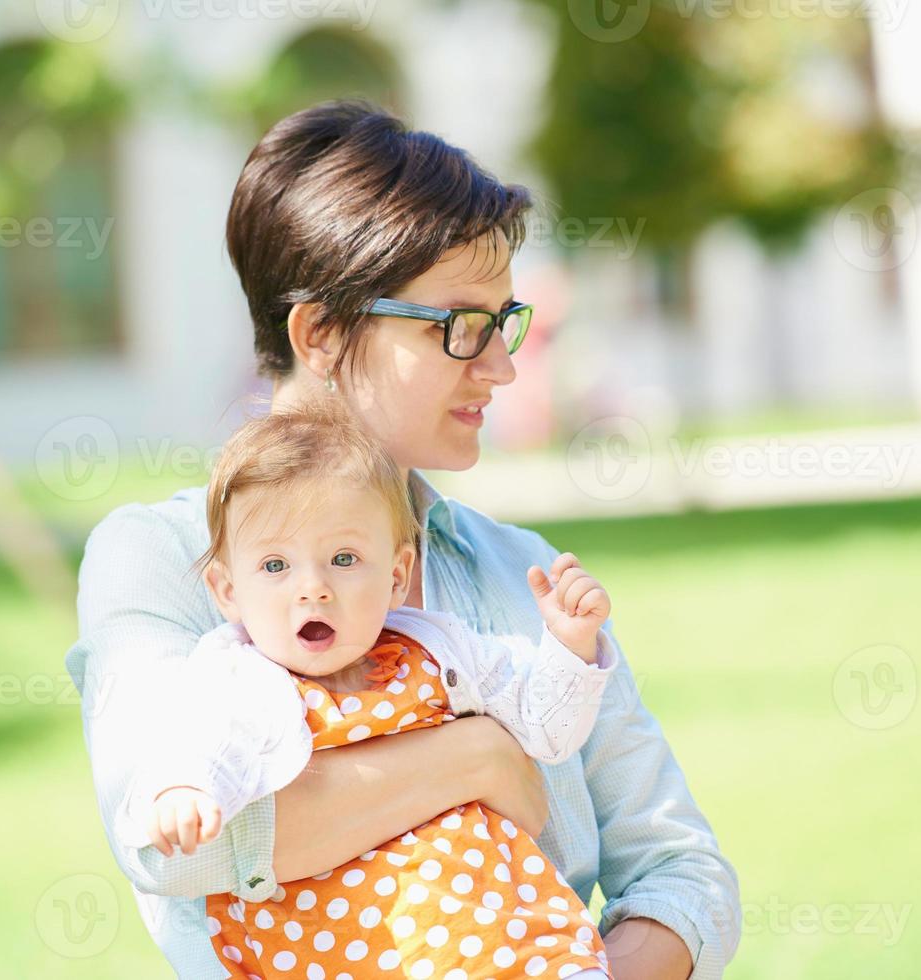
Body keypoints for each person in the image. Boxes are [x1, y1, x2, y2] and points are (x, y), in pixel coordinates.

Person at [66, 99, 741, 980]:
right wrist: (476, 756)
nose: (499, 366)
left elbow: (682, 873)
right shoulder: (160, 559)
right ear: (322, 333)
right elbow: (173, 847)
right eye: (461, 326)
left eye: (504, 323)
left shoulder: (525, 574)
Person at [135, 403, 619, 978]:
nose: (312, 589)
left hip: (502, 933)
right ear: (227, 590)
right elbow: (196, 742)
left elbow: (548, 729)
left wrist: (569, 648)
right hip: (342, 948)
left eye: (343, 559)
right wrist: (185, 789)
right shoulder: (237, 680)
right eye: (274, 566)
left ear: (395, 575)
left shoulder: (442, 651)